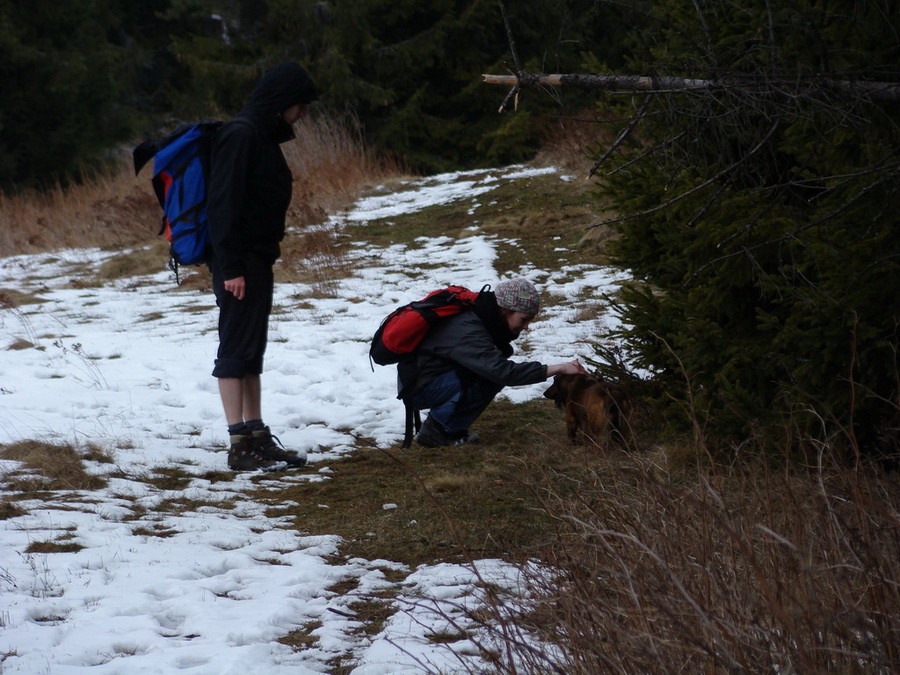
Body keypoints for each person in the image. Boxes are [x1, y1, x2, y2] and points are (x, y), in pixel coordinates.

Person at [206, 62, 318, 471]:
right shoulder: (240, 135)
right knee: (235, 349)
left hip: (256, 259)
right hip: (239, 263)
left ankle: (256, 436)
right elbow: (222, 206)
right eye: (300, 105)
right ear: (282, 101)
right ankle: (239, 446)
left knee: (251, 350)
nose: (302, 114)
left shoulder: (261, 136)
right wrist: (232, 266)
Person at [405, 277, 587, 447]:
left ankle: (450, 429)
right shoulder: (469, 330)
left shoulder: (483, 319)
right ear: (506, 310)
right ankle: (438, 431)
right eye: (524, 319)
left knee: (488, 375)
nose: (526, 327)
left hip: (429, 379)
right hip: (420, 387)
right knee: (490, 376)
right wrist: (558, 368)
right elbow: (504, 373)